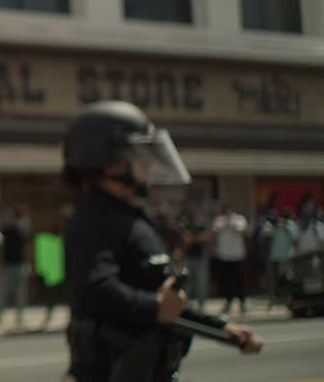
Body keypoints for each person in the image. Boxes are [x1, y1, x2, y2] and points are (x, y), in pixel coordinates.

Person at [62, 100, 262, 381]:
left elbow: (164, 299)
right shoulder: (94, 220)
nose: (150, 162)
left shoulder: (131, 217)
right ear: (111, 164)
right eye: (140, 153)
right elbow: (94, 289)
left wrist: (222, 328)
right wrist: (154, 307)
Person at [0, 205, 29, 328]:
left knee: (20, 294)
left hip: (20, 265)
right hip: (7, 266)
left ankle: (20, 317)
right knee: (2, 293)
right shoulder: (4, 231)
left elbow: (27, 249)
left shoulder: (23, 231)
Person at [211, 202, 249, 316]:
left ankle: (242, 302)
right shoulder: (219, 220)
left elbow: (241, 230)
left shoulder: (239, 219)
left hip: (237, 255)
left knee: (239, 280)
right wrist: (224, 223)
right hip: (224, 256)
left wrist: (231, 223)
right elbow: (214, 231)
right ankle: (228, 301)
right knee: (226, 280)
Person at [177, 204, 213, 310]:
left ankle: (202, 305)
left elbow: (207, 237)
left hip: (200, 257)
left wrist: (194, 238)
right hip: (187, 256)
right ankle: (186, 305)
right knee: (187, 281)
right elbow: (184, 239)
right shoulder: (185, 224)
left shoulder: (201, 224)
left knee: (201, 282)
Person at [264, 210, 298, 309]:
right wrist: (275, 225)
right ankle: (272, 301)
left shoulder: (291, 225)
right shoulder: (272, 226)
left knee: (286, 279)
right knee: (273, 280)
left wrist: (284, 225)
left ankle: (288, 299)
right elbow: (266, 234)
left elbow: (295, 239)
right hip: (273, 257)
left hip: (286, 257)